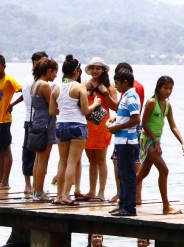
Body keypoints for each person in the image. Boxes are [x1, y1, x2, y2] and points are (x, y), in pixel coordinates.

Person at [50, 55, 100, 205]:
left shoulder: (57, 88)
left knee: (62, 162)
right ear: (77, 71)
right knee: (72, 162)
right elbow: (85, 111)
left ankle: (59, 196)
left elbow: (52, 112)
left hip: (61, 126)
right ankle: (66, 195)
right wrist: (96, 103)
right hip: (77, 126)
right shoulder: (79, 87)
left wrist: (65, 109)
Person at [136, 76, 184, 215]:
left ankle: (123, 195)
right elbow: (144, 124)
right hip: (147, 140)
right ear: (158, 88)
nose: (168, 91)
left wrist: (182, 142)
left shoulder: (167, 105)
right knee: (164, 170)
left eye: (170, 88)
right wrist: (155, 141)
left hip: (156, 141)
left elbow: (173, 126)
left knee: (143, 173)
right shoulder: (152, 102)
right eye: (165, 88)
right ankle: (166, 206)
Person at [9, 51, 48, 198]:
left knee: (28, 152)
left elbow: (25, 95)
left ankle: (29, 185)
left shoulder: (27, 79)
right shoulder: (39, 81)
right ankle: (36, 187)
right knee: (39, 155)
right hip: (38, 121)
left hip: (28, 121)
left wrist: (13, 103)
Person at [82, 57, 117, 202]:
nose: (95, 70)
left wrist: (106, 94)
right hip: (87, 126)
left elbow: (115, 107)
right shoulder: (85, 84)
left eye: (98, 68)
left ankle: (101, 192)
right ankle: (91, 190)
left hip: (102, 126)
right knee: (91, 160)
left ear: (103, 70)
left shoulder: (110, 86)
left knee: (101, 160)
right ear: (89, 70)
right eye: (93, 68)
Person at [109, 63, 145, 203]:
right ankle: (123, 204)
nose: (116, 87)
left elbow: (136, 119)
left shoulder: (131, 96)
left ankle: (129, 206)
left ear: (125, 82)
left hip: (127, 141)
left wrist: (118, 127)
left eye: (117, 83)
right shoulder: (126, 95)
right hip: (121, 140)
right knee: (123, 174)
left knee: (128, 174)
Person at [0, 54, 21, 191]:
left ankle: (6, 182)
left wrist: (12, 104)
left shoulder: (9, 80)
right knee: (0, 150)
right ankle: (0, 179)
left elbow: (24, 91)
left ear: (4, 66)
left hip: (4, 119)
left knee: (6, 150)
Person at [29, 57, 58, 201]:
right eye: (55, 72)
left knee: (38, 159)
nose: (56, 76)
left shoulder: (35, 84)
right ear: (49, 71)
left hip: (37, 123)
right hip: (46, 125)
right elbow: (53, 106)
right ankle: (39, 192)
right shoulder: (45, 86)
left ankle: (36, 190)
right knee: (43, 160)